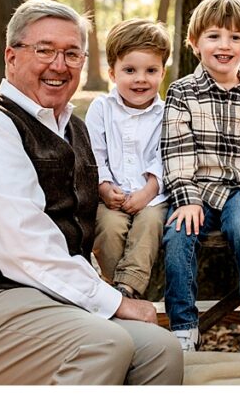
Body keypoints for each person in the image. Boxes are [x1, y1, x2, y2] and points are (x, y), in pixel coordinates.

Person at [0, 0, 182, 385]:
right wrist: (115, 302)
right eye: (44, 50)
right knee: (103, 343)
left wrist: (96, 289)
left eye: (72, 53)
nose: (59, 65)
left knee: (160, 349)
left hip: (48, 303)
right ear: (11, 56)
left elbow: (72, 233)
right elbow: (23, 242)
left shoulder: (76, 130)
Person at [161, 0, 240, 353]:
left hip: (239, 188)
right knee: (178, 236)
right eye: (214, 36)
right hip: (196, 189)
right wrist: (187, 200)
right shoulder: (182, 92)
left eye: (236, 37)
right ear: (194, 43)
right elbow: (176, 152)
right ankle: (183, 325)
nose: (225, 45)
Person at [87, 19, 171, 300]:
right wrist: (103, 186)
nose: (140, 79)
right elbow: (95, 153)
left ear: (162, 72)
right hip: (113, 194)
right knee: (109, 227)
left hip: (153, 196)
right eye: (130, 70)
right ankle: (112, 286)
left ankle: (129, 288)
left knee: (149, 225)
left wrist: (149, 190)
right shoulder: (101, 108)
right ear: (112, 72)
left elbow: (167, 154)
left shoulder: (167, 112)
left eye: (151, 70)